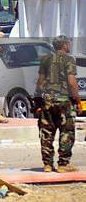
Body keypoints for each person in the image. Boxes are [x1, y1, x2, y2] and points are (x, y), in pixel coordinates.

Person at [36, 35, 81, 173]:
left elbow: (40, 82)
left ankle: (47, 164)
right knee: (66, 132)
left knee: (46, 133)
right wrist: (78, 101)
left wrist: (38, 101)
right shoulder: (69, 59)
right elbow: (72, 83)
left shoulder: (45, 59)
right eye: (69, 44)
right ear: (65, 45)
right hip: (64, 102)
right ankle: (63, 164)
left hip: (47, 101)